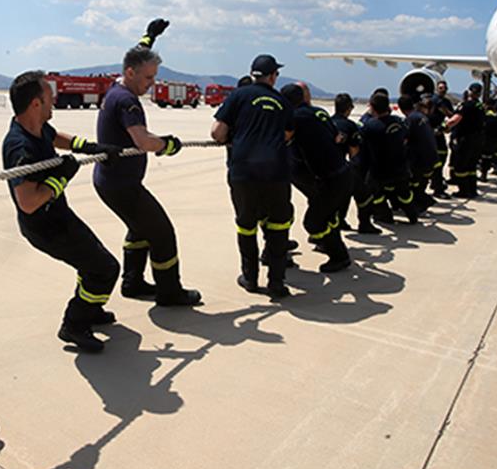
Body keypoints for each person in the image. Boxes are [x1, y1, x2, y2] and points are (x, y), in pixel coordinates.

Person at [2, 70, 120, 353]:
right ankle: (75, 323)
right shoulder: (20, 146)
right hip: (45, 227)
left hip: (58, 216)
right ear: (36, 104)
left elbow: (56, 137)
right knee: (106, 269)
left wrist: (90, 147)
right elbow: (28, 202)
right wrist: (61, 178)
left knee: (93, 263)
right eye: (49, 96)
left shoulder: (35, 127)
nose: (54, 100)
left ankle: (89, 307)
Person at [93, 19, 201, 306]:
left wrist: (150, 36)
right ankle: (169, 292)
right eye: (148, 79)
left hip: (112, 180)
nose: (152, 85)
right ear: (130, 73)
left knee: (140, 227)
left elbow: (138, 53)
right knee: (162, 233)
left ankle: (132, 282)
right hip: (121, 185)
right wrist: (169, 145)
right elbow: (143, 141)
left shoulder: (119, 84)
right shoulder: (127, 101)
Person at [211, 54, 294, 299]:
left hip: (244, 172)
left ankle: (250, 277)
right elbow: (288, 134)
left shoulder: (238, 96)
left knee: (246, 225)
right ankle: (277, 283)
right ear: (272, 76)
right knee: (278, 225)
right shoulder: (282, 102)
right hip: (276, 173)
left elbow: (217, 132)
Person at [280, 84, 353, 272]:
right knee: (327, 214)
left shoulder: (295, 119)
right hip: (342, 172)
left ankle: (339, 256)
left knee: (313, 222)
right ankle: (330, 245)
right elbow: (337, 137)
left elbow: (283, 138)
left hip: (329, 178)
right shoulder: (319, 113)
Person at [359, 93, 419, 224]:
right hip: (400, 166)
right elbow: (406, 138)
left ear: (373, 108)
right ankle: (412, 215)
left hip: (380, 170)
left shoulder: (370, 126)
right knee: (405, 194)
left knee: (375, 193)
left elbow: (361, 145)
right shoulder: (398, 122)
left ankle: (384, 215)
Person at [330, 92, 378, 233]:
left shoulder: (327, 121)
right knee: (364, 196)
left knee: (341, 196)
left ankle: (340, 221)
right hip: (343, 166)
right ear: (349, 108)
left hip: (327, 167)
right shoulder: (350, 126)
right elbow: (354, 151)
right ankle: (365, 224)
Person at [445, 82, 486, 198]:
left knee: (460, 166)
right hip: (478, 139)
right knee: (471, 166)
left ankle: (463, 190)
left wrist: (445, 126)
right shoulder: (480, 106)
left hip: (466, 139)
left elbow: (455, 119)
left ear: (470, 91)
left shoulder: (466, 105)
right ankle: (472, 190)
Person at [399, 94, 437, 212]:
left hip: (420, 159)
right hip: (431, 157)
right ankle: (422, 201)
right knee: (420, 183)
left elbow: (404, 140)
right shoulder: (421, 117)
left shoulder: (410, 120)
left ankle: (421, 202)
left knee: (412, 183)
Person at [427, 81, 455, 196]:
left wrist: (446, 126)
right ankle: (436, 183)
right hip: (430, 132)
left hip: (439, 132)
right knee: (435, 159)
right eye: (440, 88)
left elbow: (450, 115)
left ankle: (436, 181)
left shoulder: (446, 102)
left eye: (444, 88)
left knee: (442, 155)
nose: (442, 90)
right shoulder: (432, 100)